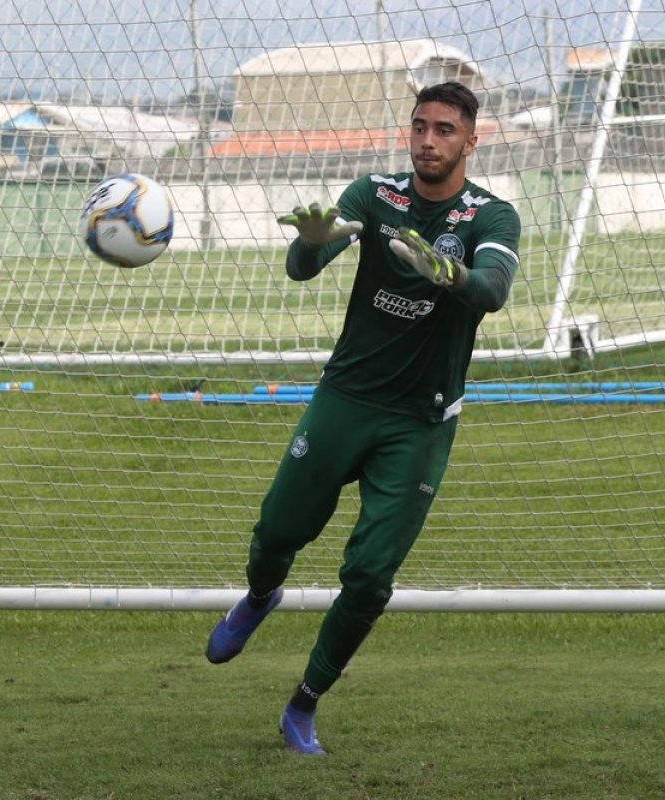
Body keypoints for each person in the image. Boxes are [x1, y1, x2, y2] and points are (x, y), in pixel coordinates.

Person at [204, 81, 521, 756]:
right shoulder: (374, 196)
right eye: (419, 127)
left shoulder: (491, 216)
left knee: (371, 577)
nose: (428, 140)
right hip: (346, 398)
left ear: (472, 139)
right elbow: (304, 266)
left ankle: (303, 704)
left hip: (421, 421)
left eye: (443, 130)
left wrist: (450, 277)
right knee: (275, 530)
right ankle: (261, 595)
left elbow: (491, 290)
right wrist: (310, 243)